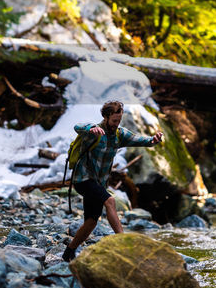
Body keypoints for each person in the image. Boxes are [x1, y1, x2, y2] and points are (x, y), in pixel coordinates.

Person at [62, 100, 164, 262]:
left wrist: (153, 140)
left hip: (98, 183)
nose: (117, 124)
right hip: (83, 180)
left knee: (91, 222)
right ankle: (123, 243)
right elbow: (78, 126)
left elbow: (139, 140)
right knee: (110, 201)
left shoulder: (119, 135)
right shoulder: (94, 131)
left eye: (119, 120)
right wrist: (90, 129)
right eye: (114, 120)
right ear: (106, 117)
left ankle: (69, 251)